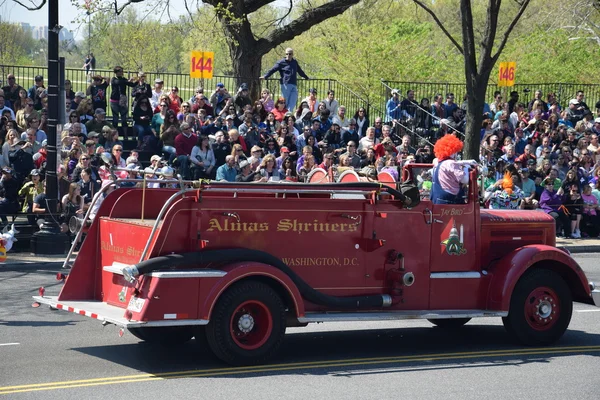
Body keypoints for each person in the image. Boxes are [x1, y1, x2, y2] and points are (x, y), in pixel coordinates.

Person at [431, 134, 476, 204]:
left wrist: (464, 162)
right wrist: (466, 167)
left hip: (438, 200)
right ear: (453, 152)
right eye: (456, 151)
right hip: (451, 201)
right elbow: (465, 180)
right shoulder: (451, 163)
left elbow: (436, 160)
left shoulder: (437, 162)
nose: (457, 154)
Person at [109, 66, 136, 133]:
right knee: (115, 119)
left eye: (122, 71)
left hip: (122, 101)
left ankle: (125, 135)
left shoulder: (123, 79)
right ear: (116, 72)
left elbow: (131, 85)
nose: (122, 72)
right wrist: (127, 81)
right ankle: (114, 134)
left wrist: (138, 81)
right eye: (120, 71)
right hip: (114, 101)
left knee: (124, 119)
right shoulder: (113, 79)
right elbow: (118, 82)